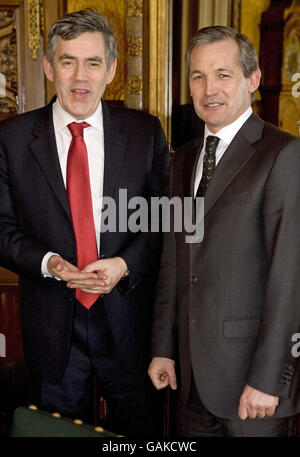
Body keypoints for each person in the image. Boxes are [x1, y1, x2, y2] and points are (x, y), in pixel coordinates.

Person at [0, 9, 169, 437]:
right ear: (48, 66)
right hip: (53, 327)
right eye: (68, 61)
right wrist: (49, 262)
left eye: (93, 63)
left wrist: (124, 265)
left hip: (130, 322)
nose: (80, 76)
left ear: (110, 70)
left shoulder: (145, 133)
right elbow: (1, 227)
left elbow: (164, 219)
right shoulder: (12, 138)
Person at [148, 25, 300, 437]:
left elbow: (290, 279)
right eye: (198, 76)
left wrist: (270, 379)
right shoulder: (182, 159)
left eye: (223, 74)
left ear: (252, 79)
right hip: (192, 381)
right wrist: (163, 348)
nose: (209, 88)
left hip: (255, 386)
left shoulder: (283, 154)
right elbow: (173, 261)